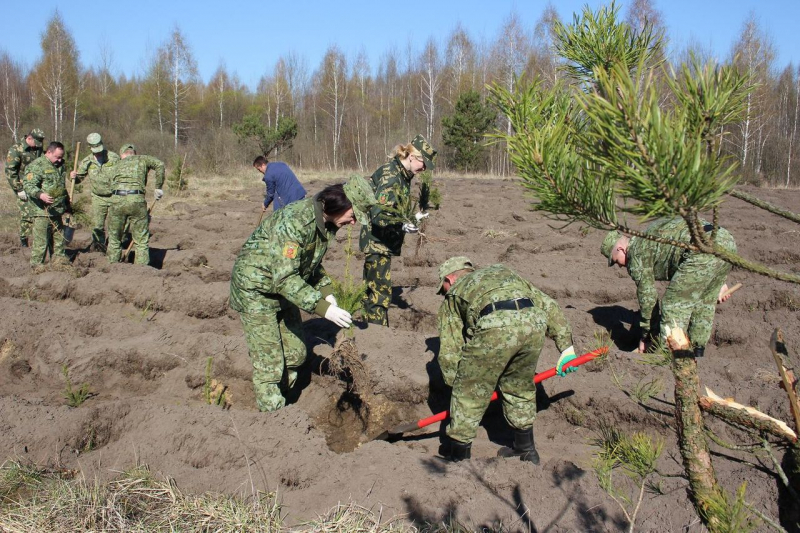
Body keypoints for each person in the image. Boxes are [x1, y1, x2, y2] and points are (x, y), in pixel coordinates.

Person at [229, 177, 377, 412]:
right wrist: (323, 309)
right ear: (341, 202)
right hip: (256, 289)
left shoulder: (325, 224)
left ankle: (285, 399)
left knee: (296, 354)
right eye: (354, 215)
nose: (353, 222)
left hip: (283, 289)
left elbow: (310, 264)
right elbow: (285, 278)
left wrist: (328, 293)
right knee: (270, 364)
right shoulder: (296, 222)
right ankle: (273, 416)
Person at [435, 257, 578, 463]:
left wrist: (458, 384)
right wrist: (566, 349)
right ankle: (526, 450)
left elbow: (450, 349)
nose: (444, 294)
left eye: (443, 289)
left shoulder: (456, 293)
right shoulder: (503, 272)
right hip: (533, 323)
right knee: (519, 386)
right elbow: (549, 305)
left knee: (468, 393)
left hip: (495, 325)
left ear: (450, 278)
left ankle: (458, 458)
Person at [600, 217, 737, 357]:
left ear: (621, 249)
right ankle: (697, 352)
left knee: (673, 305)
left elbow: (648, 300)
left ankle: (668, 358)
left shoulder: (635, 253)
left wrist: (647, 337)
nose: (620, 266)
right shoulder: (648, 233)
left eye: (617, 261)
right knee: (704, 301)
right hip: (725, 240)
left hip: (701, 251)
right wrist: (718, 282)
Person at [359, 134, 436, 326]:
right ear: (412, 156)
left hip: (383, 240)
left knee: (376, 290)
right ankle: (376, 335)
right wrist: (401, 225)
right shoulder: (392, 176)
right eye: (423, 163)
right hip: (377, 241)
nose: (424, 168)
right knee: (379, 293)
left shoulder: (403, 174)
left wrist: (410, 219)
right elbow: (378, 214)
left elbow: (393, 208)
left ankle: (371, 330)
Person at [106, 143, 165, 265]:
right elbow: (159, 164)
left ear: (122, 154)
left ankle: (112, 269)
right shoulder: (142, 158)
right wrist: (158, 187)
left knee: (114, 239)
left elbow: (109, 183)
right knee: (141, 241)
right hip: (136, 200)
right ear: (134, 153)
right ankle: (140, 273)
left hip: (117, 200)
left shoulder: (115, 163)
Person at [22, 141, 70, 267]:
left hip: (56, 212)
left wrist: (67, 204)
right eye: (57, 157)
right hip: (42, 212)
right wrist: (40, 195)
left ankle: (59, 265)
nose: (59, 160)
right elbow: (28, 185)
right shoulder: (37, 166)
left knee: (59, 242)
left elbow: (61, 187)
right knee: (41, 244)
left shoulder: (59, 166)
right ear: (49, 152)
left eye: (61, 157)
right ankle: (37, 269)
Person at [71, 132, 121, 252]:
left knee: (116, 224)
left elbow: (123, 174)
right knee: (98, 226)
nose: (98, 152)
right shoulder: (87, 161)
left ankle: (116, 248)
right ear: (90, 148)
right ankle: (100, 248)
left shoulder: (113, 157)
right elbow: (78, 179)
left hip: (115, 196)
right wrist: (73, 176)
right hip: (98, 198)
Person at [5, 129, 45, 247]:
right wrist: (19, 189)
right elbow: (10, 171)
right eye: (36, 142)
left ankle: (41, 240)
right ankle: (24, 241)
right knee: (27, 215)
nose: (38, 146)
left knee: (40, 214)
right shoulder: (16, 150)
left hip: (37, 186)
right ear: (29, 138)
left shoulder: (37, 148)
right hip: (23, 187)